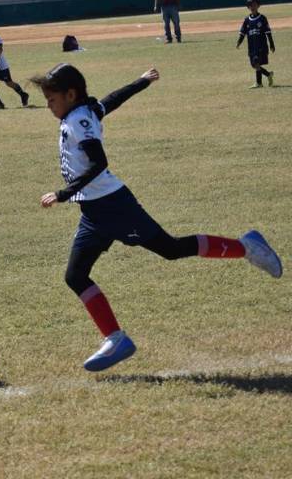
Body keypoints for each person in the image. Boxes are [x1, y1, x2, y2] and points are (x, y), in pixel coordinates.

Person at [32, 63, 282, 372]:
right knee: (75, 276)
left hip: (114, 207)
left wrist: (63, 193)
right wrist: (141, 82)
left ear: (70, 95)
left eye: (51, 99)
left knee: (171, 249)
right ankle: (115, 339)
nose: (48, 106)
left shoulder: (78, 121)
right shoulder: (86, 110)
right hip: (93, 212)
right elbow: (111, 100)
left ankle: (246, 247)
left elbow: (99, 163)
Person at [236, 0, 275, 89]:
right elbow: (243, 33)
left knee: (256, 62)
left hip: (261, 45)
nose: (252, 7)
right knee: (254, 65)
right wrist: (239, 42)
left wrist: (272, 44)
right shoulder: (247, 20)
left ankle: (259, 82)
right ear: (248, 7)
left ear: (258, 6)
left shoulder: (262, 18)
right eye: (250, 5)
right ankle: (267, 75)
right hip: (252, 47)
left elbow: (268, 33)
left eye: (254, 5)